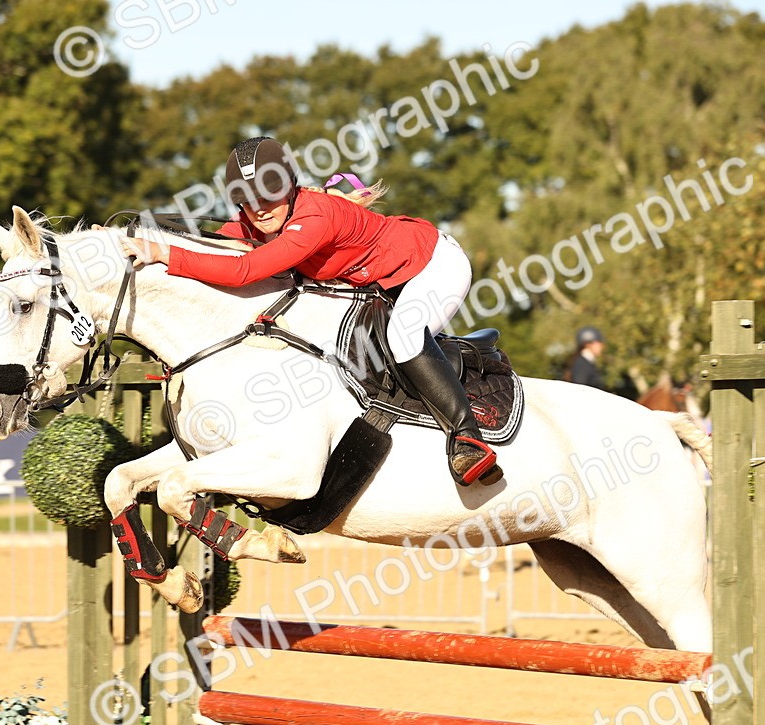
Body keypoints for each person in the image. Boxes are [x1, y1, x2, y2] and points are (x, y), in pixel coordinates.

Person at [117, 136, 502, 487]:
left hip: (432, 266)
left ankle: (466, 437)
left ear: (290, 187)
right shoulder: (261, 221)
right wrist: (138, 235)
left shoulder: (315, 217)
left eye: (269, 195)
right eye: (247, 201)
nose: (259, 209)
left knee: (402, 337)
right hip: (382, 283)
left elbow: (242, 270)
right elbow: (215, 242)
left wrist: (164, 253)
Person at [569, 326, 608, 391]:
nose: (602, 346)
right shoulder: (582, 364)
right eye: (598, 343)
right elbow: (580, 390)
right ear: (588, 344)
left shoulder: (587, 363)